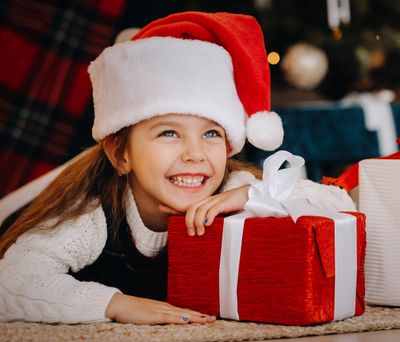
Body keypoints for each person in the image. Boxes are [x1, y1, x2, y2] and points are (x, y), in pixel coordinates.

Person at [0, 12, 356, 325]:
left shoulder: (233, 185)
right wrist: (115, 304)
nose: (195, 154)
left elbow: (342, 206)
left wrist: (256, 196)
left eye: (211, 133)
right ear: (121, 154)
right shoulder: (93, 214)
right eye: (169, 132)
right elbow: (11, 281)